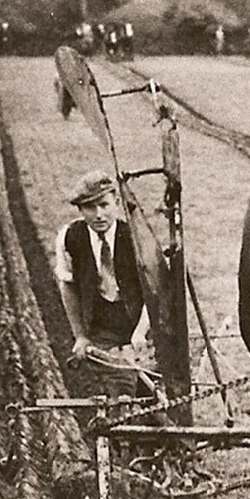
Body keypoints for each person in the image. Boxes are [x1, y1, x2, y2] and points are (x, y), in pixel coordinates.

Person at [55, 170, 152, 399]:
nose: (98, 214)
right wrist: (80, 335)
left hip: (142, 323)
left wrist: (140, 331)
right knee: (116, 390)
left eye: (104, 205)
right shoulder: (69, 238)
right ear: (80, 210)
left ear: (116, 203)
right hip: (102, 328)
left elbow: (154, 292)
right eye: (90, 208)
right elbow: (67, 286)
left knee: (151, 391)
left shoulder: (137, 238)